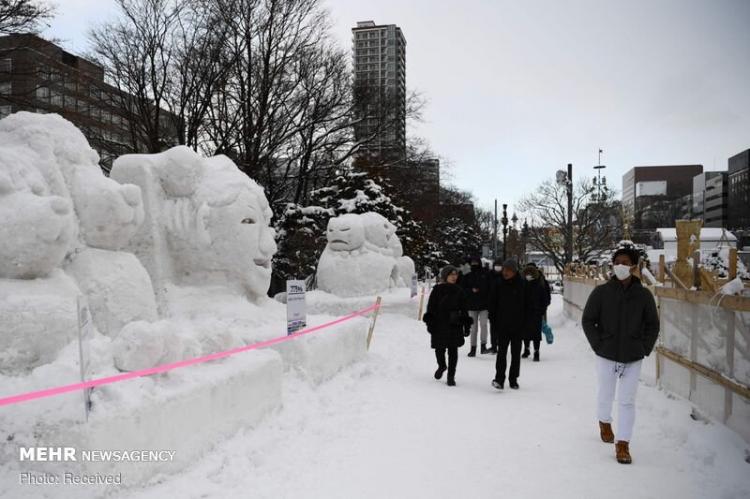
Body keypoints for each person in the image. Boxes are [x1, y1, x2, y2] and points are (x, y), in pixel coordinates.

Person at [582, 247, 659, 465]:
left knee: (627, 401)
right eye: (617, 262)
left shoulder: (644, 295)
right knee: (606, 393)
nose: (620, 266)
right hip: (606, 353)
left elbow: (652, 324)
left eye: (625, 262)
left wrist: (644, 347)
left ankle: (623, 443)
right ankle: (604, 421)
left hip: (633, 356)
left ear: (634, 266)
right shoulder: (602, 292)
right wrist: (598, 344)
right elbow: (588, 320)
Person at [423, 265, 472, 386]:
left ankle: (451, 376)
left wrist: (466, 325)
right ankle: (442, 366)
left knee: (453, 351)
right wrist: (430, 322)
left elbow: (464, 308)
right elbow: (431, 307)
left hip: (454, 324)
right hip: (439, 324)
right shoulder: (437, 290)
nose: (454, 277)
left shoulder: (459, 291)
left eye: (456, 274)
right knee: (439, 349)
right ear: (445, 276)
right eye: (451, 275)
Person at [488, 259, 529, 390]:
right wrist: (494, 322)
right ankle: (499, 379)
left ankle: (513, 379)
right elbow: (492, 304)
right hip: (502, 325)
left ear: (514, 271)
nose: (505, 272)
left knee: (516, 354)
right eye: (504, 270)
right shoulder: (498, 284)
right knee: (502, 353)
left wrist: (526, 323)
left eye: (508, 270)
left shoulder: (522, 284)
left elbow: (527, 305)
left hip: (518, 325)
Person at [460, 256, 491, 356]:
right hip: (471, 305)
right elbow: (463, 288)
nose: (474, 264)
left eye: (476, 262)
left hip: (484, 305)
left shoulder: (485, 273)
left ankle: (483, 345)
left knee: (484, 325)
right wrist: (471, 291)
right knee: (473, 328)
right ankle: (473, 348)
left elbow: (489, 287)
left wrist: (481, 291)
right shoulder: (467, 275)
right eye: (473, 262)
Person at [522, 263, 551, 361]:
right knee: (525, 332)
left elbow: (546, 298)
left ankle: (536, 351)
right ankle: (526, 349)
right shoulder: (523, 283)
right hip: (525, 312)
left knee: (536, 333)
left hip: (536, 312)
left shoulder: (540, 283)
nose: (528, 276)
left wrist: (542, 310)